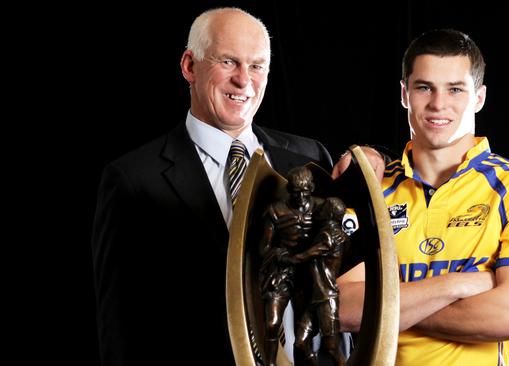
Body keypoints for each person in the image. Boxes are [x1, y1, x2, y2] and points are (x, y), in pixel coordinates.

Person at [91, 8, 335, 366]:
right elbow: (119, 326)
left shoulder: (308, 159)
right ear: (190, 66)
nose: (244, 80)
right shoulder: (132, 180)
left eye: (256, 66)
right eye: (228, 62)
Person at [336, 29, 509, 365]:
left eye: (455, 89)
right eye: (424, 87)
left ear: (479, 97)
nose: (438, 104)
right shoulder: (372, 186)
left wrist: (387, 309)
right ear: (404, 94)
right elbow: (341, 308)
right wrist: (455, 286)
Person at [258, 166, 324, 366]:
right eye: (296, 192)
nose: (301, 197)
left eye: (305, 191)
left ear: (312, 187)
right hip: (283, 271)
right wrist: (283, 255)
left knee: (304, 331)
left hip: (310, 273)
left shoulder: (321, 207)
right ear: (289, 190)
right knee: (271, 323)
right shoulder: (276, 210)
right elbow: (264, 247)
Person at [293, 197, 349, 366]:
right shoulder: (336, 234)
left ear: (330, 213)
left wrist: (283, 257)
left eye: (324, 207)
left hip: (326, 298)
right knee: (301, 343)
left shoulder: (327, 236)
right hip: (316, 297)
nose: (320, 208)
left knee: (331, 348)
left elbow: (304, 255)